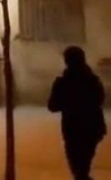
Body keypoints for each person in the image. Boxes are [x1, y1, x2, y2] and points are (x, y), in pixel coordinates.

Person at [48, 46, 106, 180]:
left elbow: (52, 106)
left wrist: (67, 102)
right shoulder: (92, 79)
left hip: (73, 130)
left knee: (78, 169)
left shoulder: (62, 83)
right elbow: (99, 100)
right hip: (92, 129)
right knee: (82, 168)